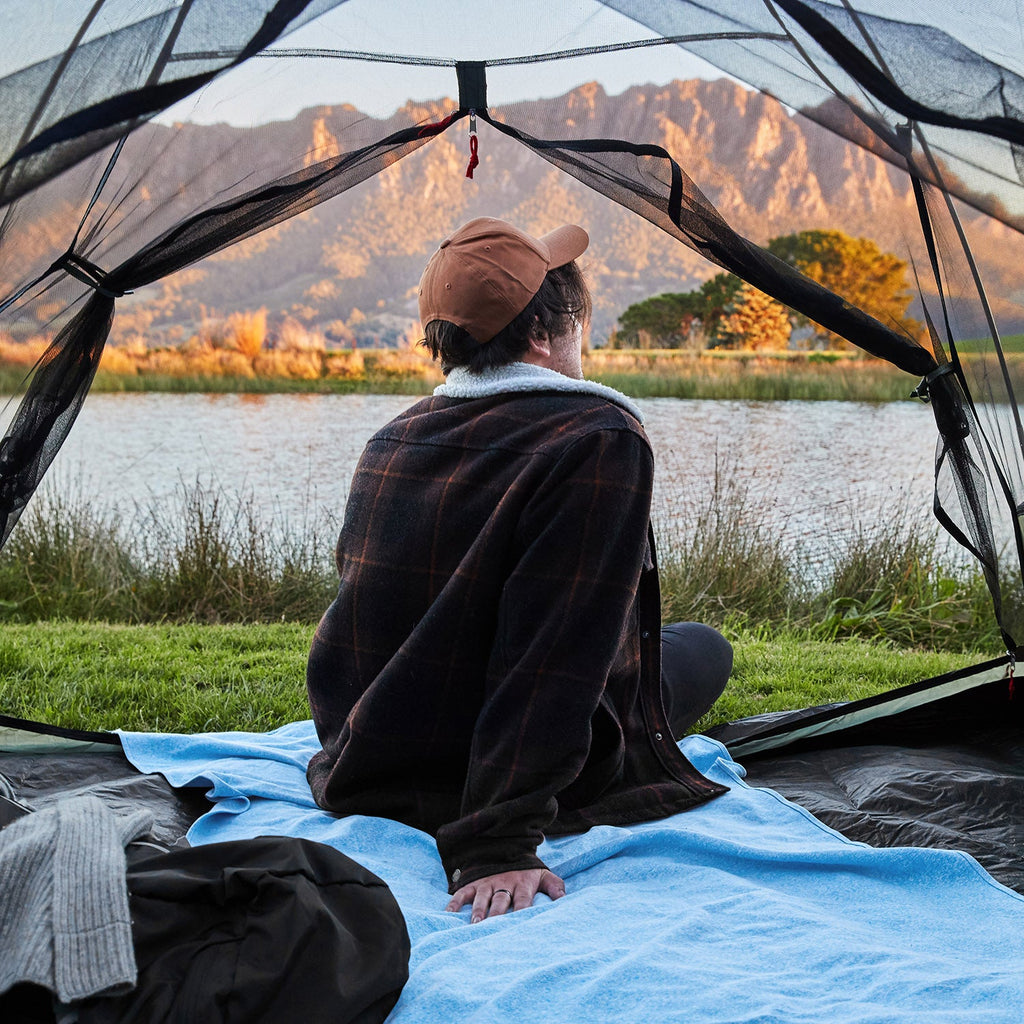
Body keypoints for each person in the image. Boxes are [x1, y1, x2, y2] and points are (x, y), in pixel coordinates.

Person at [306, 217, 732, 924]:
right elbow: (552, 652)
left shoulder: (394, 435)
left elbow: (364, 621)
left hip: (372, 760)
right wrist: (497, 840)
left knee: (673, 648)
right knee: (706, 649)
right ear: (544, 332)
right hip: (465, 781)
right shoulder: (597, 437)